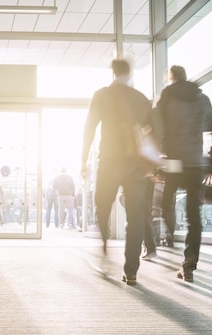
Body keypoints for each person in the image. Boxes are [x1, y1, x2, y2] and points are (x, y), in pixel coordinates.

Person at [81, 59, 152, 285]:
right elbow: (152, 132)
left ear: (112, 72)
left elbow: (89, 127)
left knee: (102, 207)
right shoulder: (140, 98)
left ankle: (103, 249)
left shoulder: (102, 95)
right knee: (135, 216)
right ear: (129, 73)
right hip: (136, 164)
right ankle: (131, 270)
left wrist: (83, 160)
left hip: (110, 160)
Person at [156, 65, 212, 282]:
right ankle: (189, 263)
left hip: (174, 161)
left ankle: (169, 234)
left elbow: (158, 127)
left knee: (166, 202)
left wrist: (158, 160)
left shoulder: (167, 95)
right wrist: (210, 162)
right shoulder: (202, 98)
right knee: (194, 216)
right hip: (194, 164)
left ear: (171, 78)